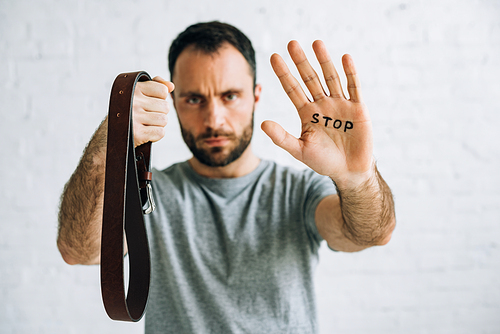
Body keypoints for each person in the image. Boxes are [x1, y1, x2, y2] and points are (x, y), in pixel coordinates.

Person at [57, 21, 395, 333]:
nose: (214, 119)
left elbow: (368, 235)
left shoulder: (299, 190)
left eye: (230, 96)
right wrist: (111, 141)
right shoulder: (150, 192)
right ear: (173, 102)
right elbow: (78, 251)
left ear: (255, 97)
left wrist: (357, 178)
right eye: (194, 99)